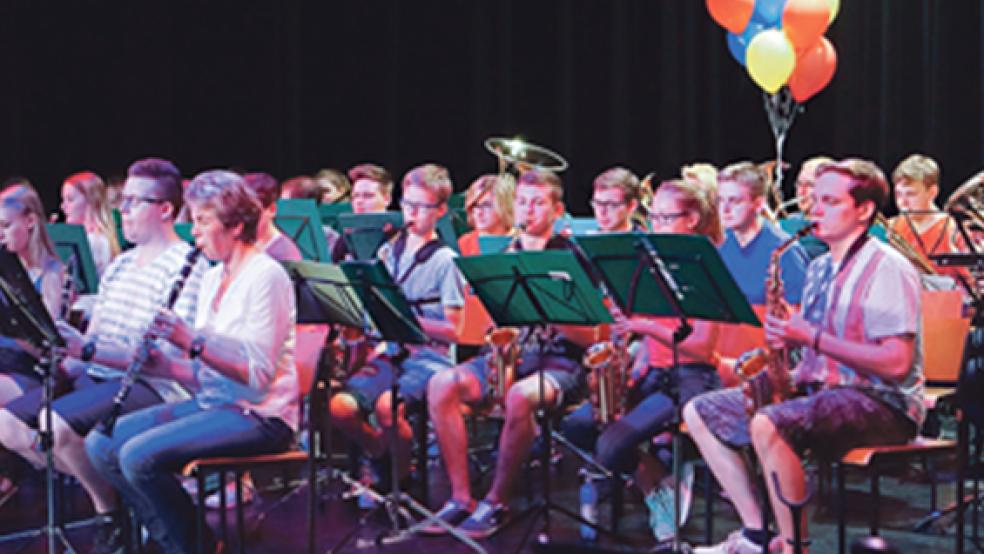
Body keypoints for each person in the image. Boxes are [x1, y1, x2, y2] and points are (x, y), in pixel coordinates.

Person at [684, 159, 924, 554]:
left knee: (768, 423)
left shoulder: (888, 268)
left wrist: (809, 336)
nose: (814, 210)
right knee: (701, 411)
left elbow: (896, 364)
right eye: (814, 200)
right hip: (822, 390)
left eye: (830, 201)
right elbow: (809, 351)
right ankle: (756, 534)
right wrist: (783, 353)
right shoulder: (817, 269)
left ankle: (794, 546)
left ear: (863, 210)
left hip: (883, 402)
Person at [0, 158, 207, 553]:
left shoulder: (185, 266)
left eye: (133, 202)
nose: (122, 211)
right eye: (123, 201)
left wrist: (89, 351)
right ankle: (127, 501)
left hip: (151, 384)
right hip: (100, 374)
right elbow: (94, 337)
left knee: (54, 423)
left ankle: (108, 514)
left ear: (164, 209)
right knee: (7, 424)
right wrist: (64, 348)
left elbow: (158, 358)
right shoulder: (121, 264)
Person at [86, 169, 298, 554]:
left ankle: (194, 546)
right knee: (101, 443)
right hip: (214, 403)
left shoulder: (267, 276)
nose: (194, 232)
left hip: (261, 415)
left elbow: (258, 377)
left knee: (138, 456)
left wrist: (192, 342)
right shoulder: (213, 277)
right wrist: (162, 364)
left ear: (235, 225)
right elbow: (202, 375)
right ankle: (178, 541)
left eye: (202, 221)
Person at [424, 168, 596, 538]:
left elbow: (591, 336)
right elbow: (492, 325)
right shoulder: (504, 255)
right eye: (521, 202)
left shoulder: (574, 257)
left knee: (520, 396)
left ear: (557, 210)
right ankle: (460, 498)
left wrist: (551, 312)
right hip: (514, 357)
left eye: (537, 203)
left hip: (562, 362)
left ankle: (496, 501)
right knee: (441, 384)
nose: (527, 211)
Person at [562, 178, 723, 542]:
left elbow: (699, 348)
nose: (656, 226)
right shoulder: (648, 264)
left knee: (611, 445)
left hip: (691, 377)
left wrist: (645, 327)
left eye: (666, 218)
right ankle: (657, 481)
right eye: (654, 217)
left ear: (692, 219)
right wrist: (635, 363)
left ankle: (659, 483)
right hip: (655, 371)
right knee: (579, 425)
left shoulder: (704, 266)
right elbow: (646, 338)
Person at [329, 163, 463, 500]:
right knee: (340, 407)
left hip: (429, 357)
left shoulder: (445, 260)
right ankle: (383, 454)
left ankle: (400, 482)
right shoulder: (388, 250)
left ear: (441, 211)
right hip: (390, 352)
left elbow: (455, 330)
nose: (412, 213)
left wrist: (404, 320)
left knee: (389, 407)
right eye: (408, 205)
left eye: (422, 207)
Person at [0, 185, 65, 503]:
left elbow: (49, 348)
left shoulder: (51, 274)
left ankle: (11, 472)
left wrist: (11, 331)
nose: (0, 235)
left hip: (33, 374)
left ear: (29, 221)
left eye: (5, 226)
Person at [717, 161, 809, 307]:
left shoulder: (785, 251)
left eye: (735, 201)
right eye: (720, 200)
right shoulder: (720, 243)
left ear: (759, 204)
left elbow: (797, 316)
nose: (725, 209)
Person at [890, 154, 965, 277]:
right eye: (898, 194)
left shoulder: (955, 230)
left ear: (932, 192)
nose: (902, 202)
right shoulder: (890, 227)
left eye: (911, 194)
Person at [61, 171, 122, 275]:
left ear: (91, 201)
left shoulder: (94, 241)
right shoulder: (90, 238)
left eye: (70, 200)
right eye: (63, 200)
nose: (63, 207)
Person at [330, 163, 395, 262]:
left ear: (387, 199)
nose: (359, 201)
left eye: (368, 196)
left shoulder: (398, 237)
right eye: (355, 196)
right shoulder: (347, 238)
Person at [243, 172, 303, 262]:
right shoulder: (245, 243)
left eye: (253, 212)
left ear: (272, 209)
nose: (246, 219)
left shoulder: (285, 254)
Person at [782, 156, 834, 259]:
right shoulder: (788, 222)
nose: (801, 191)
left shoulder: (838, 227)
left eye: (809, 185)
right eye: (799, 184)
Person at [457, 173, 515, 256]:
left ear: (505, 205)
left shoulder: (524, 242)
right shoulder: (465, 242)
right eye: (475, 206)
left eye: (487, 205)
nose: (479, 212)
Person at [590, 167, 644, 233]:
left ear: (632, 206)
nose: (601, 212)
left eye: (611, 205)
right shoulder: (582, 242)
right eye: (598, 203)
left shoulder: (648, 242)